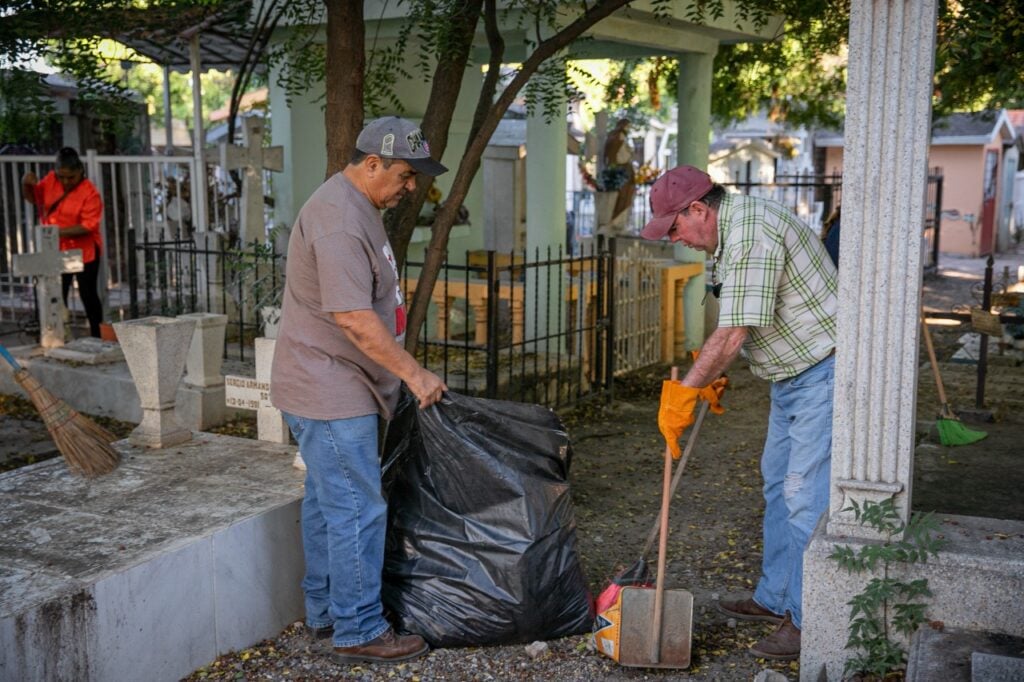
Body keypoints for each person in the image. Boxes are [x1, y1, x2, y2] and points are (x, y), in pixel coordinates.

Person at [270, 116, 449, 665]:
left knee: (331, 505)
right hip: (329, 388)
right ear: (372, 164)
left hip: (337, 384)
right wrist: (415, 374)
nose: (411, 187)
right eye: (404, 175)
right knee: (356, 509)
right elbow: (352, 317)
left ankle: (327, 613)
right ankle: (359, 628)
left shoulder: (357, 206)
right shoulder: (339, 222)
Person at [641, 165, 837, 660]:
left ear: (698, 210)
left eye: (675, 227)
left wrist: (686, 392)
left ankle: (809, 619)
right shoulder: (725, 238)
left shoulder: (753, 234)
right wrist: (712, 374)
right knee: (777, 482)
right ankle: (775, 597)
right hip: (791, 375)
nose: (675, 238)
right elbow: (732, 318)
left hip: (825, 370)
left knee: (803, 496)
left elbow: (732, 334)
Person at [21, 147, 104, 338]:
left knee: (88, 294)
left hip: (85, 252)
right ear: (56, 172)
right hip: (56, 251)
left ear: (80, 172)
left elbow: (88, 226)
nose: (66, 181)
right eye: (62, 177)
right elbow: (34, 198)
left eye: (71, 177)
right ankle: (58, 336)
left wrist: (54, 233)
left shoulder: (90, 193)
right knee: (56, 295)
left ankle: (98, 337)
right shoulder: (51, 180)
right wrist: (26, 183)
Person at [602, 118, 636, 227]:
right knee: (622, 196)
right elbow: (615, 153)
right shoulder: (618, 136)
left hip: (624, 168)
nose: (628, 129)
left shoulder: (620, 136)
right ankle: (616, 221)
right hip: (621, 170)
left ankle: (621, 221)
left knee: (626, 195)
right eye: (627, 126)